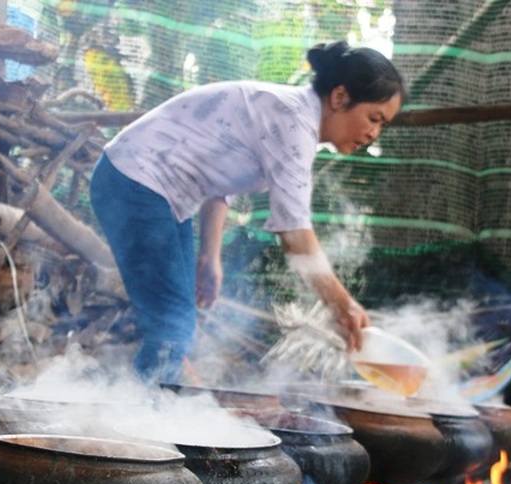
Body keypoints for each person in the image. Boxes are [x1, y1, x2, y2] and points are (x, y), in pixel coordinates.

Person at [89, 41, 405, 384]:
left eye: (382, 126)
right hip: (135, 180)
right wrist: (344, 304)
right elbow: (296, 235)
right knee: (172, 327)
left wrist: (211, 257)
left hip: (151, 188)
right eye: (374, 118)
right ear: (340, 97)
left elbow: (217, 180)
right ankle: (142, 420)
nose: (373, 134)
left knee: (178, 324)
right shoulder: (293, 122)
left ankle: (153, 407)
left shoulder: (290, 116)